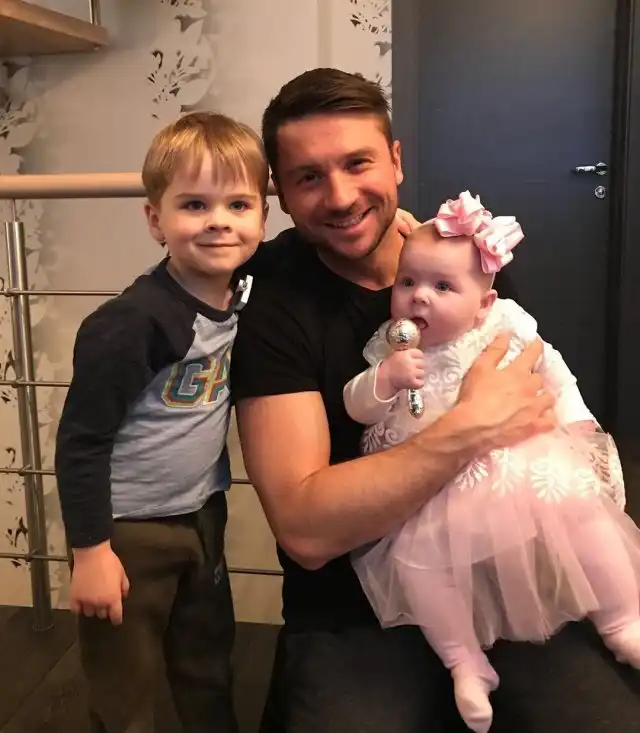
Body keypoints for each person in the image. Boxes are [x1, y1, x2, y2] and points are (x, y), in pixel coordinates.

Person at [231, 67, 640, 733]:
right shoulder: (275, 304)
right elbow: (306, 531)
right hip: (355, 602)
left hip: (508, 564)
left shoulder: (462, 255)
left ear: (395, 160)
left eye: (357, 163)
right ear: (279, 190)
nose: (340, 196)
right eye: (308, 176)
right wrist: (470, 427)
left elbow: (535, 390)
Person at [344, 190, 640, 733]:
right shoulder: (390, 347)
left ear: (485, 302)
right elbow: (356, 405)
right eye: (407, 282)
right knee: (417, 564)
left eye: (442, 287)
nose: (419, 298)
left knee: (584, 516)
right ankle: (465, 663)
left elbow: (553, 369)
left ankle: (623, 618)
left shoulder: (503, 324)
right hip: (430, 486)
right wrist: (382, 381)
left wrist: (578, 421)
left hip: (516, 464)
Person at [54, 111, 269, 733]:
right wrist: (90, 552)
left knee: (208, 660)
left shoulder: (246, 288)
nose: (219, 221)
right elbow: (81, 442)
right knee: (124, 678)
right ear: (156, 220)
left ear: (263, 216)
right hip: (127, 531)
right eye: (195, 205)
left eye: (239, 204)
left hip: (201, 514)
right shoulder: (131, 324)